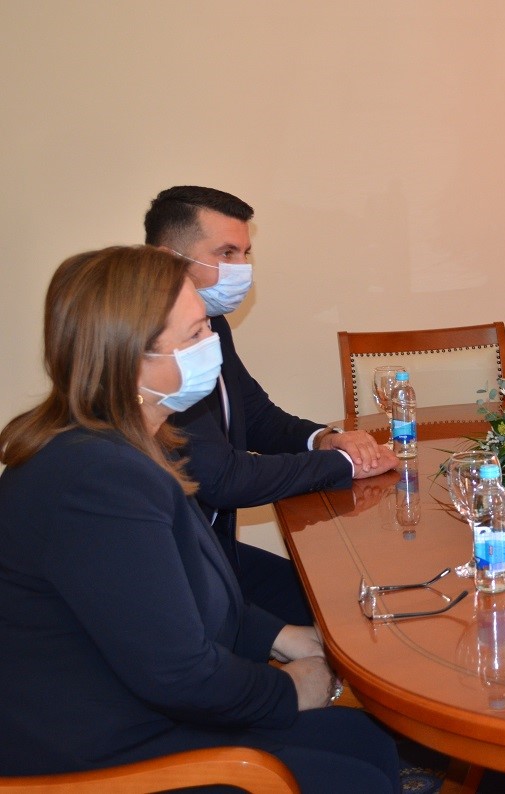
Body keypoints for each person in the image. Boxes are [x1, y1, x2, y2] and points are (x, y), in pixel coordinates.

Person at [0, 247, 400, 791]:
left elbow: (181, 596)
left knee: (365, 742)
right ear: (130, 359)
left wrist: (284, 637)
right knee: (357, 776)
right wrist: (290, 690)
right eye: (194, 336)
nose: (212, 344)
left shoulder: (128, 444)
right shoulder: (96, 479)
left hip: (131, 704)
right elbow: (177, 673)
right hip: (98, 747)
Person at [144, 186, 398, 625]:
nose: (241, 269)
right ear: (169, 260)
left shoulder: (213, 326)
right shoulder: (158, 361)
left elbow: (256, 416)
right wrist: (343, 465)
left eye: (245, 253)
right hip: (178, 572)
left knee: (344, 600)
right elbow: (222, 479)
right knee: (339, 616)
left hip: (214, 551)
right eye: (226, 253)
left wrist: (324, 439)